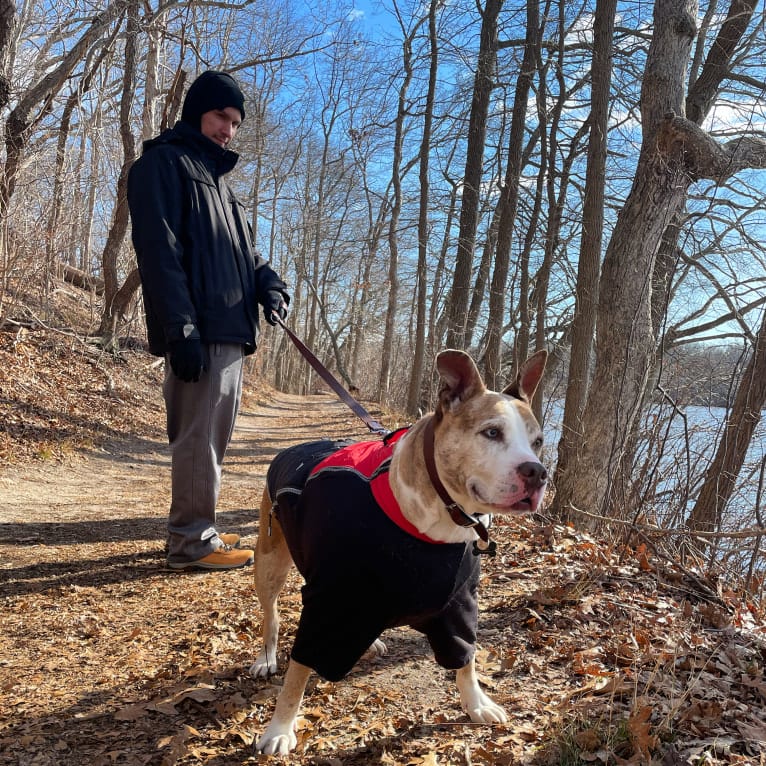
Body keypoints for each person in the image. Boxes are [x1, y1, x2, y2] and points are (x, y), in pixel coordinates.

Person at [127, 70, 290, 571]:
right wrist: (182, 329)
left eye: (236, 122)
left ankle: (201, 531)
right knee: (198, 441)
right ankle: (191, 544)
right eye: (222, 115)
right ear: (198, 110)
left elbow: (246, 255)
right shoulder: (163, 164)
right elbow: (159, 253)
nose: (229, 129)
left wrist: (270, 283)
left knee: (211, 442)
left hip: (232, 331)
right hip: (201, 330)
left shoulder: (221, 185)